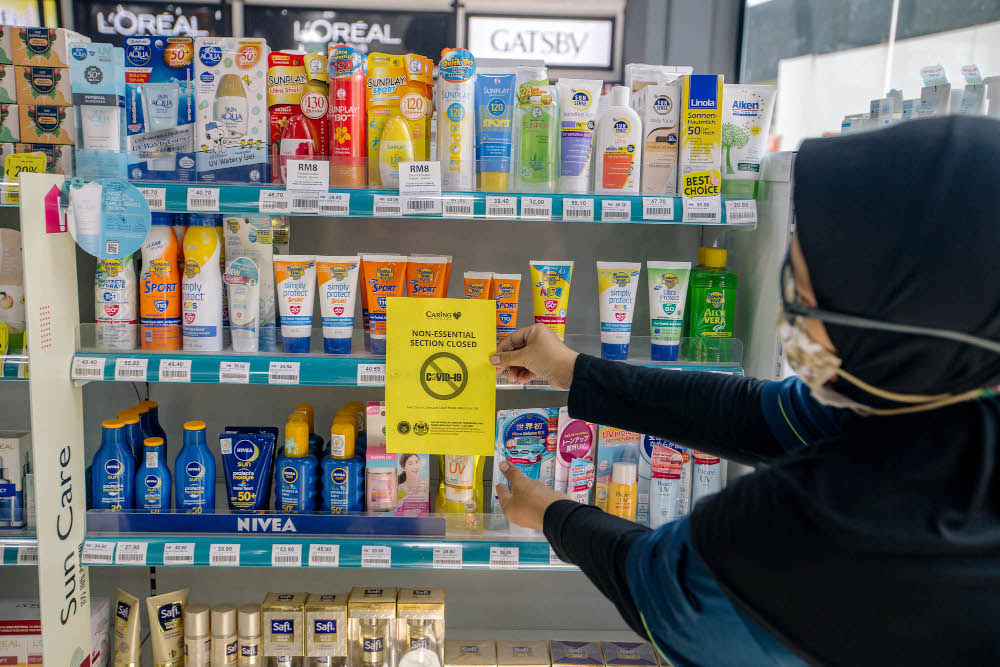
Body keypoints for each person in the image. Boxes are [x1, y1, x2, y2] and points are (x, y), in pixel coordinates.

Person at [490, 115, 1000, 666]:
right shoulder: (945, 384)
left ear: (890, 316)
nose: (787, 315)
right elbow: (759, 415)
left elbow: (669, 590)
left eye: (805, 298)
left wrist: (552, 514)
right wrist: (573, 370)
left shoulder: (859, 514)